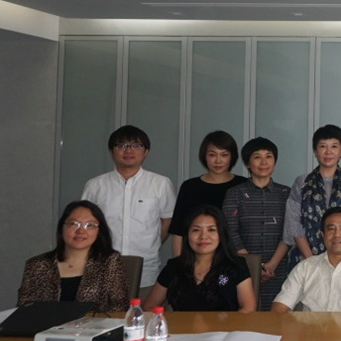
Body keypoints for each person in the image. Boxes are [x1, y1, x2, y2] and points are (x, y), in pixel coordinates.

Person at [81, 125, 175, 297]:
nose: (128, 150)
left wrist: (153, 242)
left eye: (136, 145)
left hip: (146, 271)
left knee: (143, 312)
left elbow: (168, 220)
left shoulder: (160, 184)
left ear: (146, 151)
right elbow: (84, 223)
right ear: (111, 151)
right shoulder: (95, 186)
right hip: (103, 270)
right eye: (121, 145)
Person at [18, 200, 129, 312]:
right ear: (62, 228)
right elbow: (24, 311)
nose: (81, 231)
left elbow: (119, 308)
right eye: (74, 224)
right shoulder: (37, 265)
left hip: (95, 324)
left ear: (99, 231)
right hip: (45, 323)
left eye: (89, 225)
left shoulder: (109, 262)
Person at [222, 137, 292, 311]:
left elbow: (290, 231)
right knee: (246, 317)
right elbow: (230, 231)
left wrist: (272, 265)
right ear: (247, 163)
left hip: (278, 269)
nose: (263, 162)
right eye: (257, 157)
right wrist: (252, 266)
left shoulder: (286, 193)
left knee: (276, 318)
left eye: (268, 156)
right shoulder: (234, 194)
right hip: (242, 269)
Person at [272, 207, 341, 312]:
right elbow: (280, 306)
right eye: (331, 229)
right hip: (311, 327)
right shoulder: (305, 267)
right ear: (323, 235)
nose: (337, 234)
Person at [144, 205, 255, 312]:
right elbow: (148, 307)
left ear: (221, 234)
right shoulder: (174, 267)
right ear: (187, 235)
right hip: (182, 325)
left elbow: (248, 309)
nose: (203, 236)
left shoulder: (236, 265)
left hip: (226, 325)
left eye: (211, 230)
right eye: (196, 230)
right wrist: (168, 321)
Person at [285, 125, 341, 268]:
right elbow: (294, 224)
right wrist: (312, 262)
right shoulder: (302, 182)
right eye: (322, 146)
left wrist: (339, 261)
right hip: (305, 261)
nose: (328, 152)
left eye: (334, 146)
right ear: (315, 151)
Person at [170, 131, 247, 257]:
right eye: (212, 155)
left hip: (234, 258)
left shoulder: (243, 185)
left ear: (232, 156)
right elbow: (178, 232)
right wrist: (178, 264)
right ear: (204, 156)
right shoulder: (190, 187)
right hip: (196, 258)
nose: (218, 161)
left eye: (224, 155)